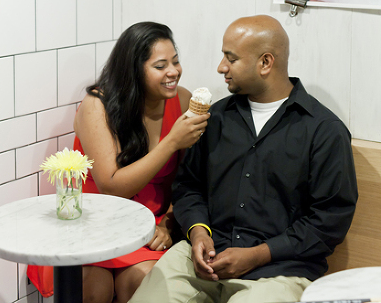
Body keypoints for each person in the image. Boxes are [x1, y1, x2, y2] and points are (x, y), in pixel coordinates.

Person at [130, 15, 358, 303]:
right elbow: (189, 187)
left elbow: (329, 222)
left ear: (265, 63)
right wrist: (199, 233)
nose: (220, 67)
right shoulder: (214, 119)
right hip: (199, 258)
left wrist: (258, 254)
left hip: (280, 271)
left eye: (231, 58)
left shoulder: (323, 131)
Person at [28, 22, 209, 302]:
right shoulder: (97, 106)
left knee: (143, 284)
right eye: (160, 66)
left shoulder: (182, 100)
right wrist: (172, 141)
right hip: (94, 223)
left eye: (175, 61)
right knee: (94, 290)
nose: (173, 72)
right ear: (134, 70)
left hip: (150, 226)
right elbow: (112, 186)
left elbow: (186, 182)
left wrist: (168, 224)